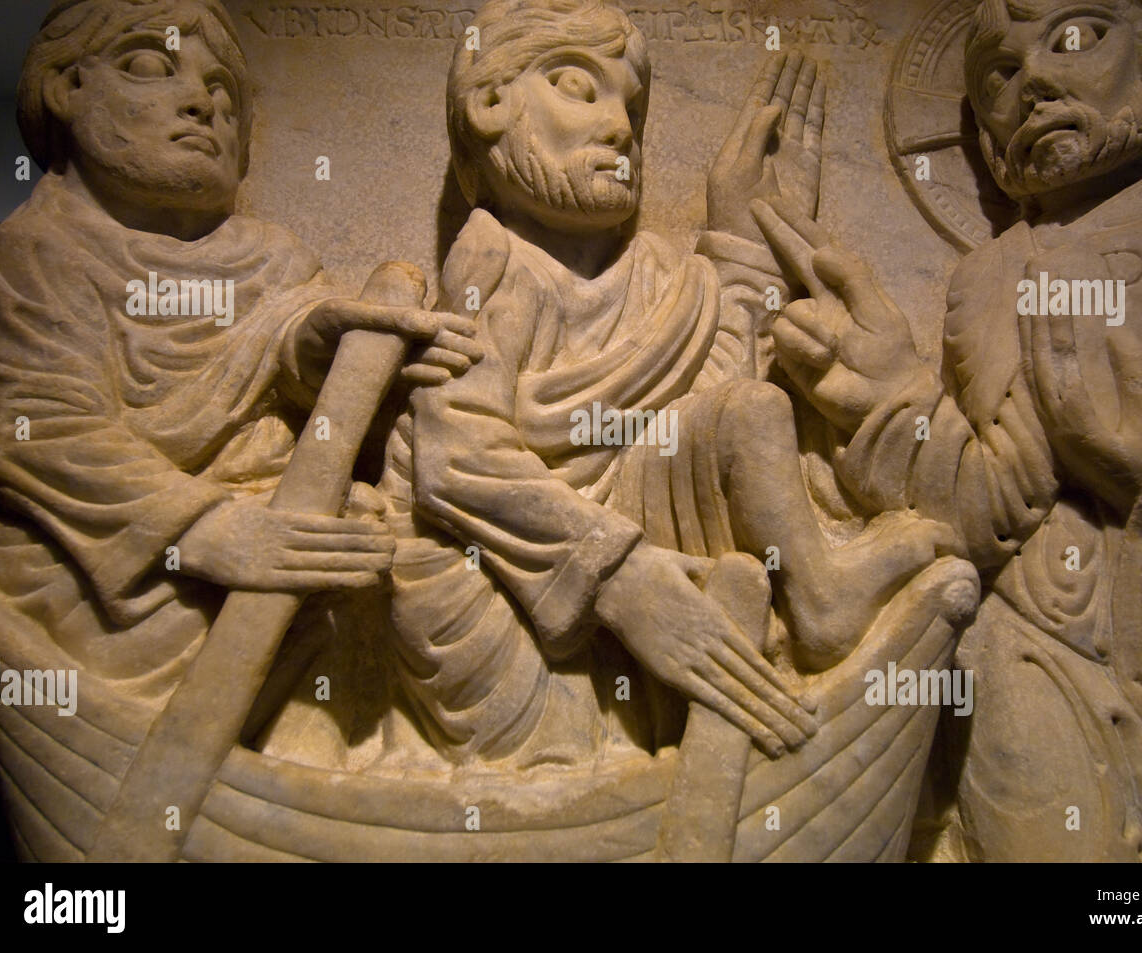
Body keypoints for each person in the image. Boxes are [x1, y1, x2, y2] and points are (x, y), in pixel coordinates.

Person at [374, 0, 967, 767]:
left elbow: (720, 398)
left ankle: (819, 598)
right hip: (507, 567)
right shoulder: (493, 257)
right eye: (578, 88)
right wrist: (620, 570)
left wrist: (747, 227)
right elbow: (458, 458)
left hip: (628, 518)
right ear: (490, 108)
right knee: (554, 758)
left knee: (754, 407)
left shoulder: (659, 273)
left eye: (632, 106)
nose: (621, 127)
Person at [757, 0, 1142, 861]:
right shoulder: (998, 274)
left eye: (1071, 37)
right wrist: (884, 386)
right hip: (1056, 650)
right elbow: (995, 504)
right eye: (998, 76)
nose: (1031, 81)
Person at [0, 0, 477, 703]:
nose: (198, 103)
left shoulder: (271, 256)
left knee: (416, 575)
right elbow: (41, 433)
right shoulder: (42, 251)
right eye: (150, 67)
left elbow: (289, 342)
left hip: (287, 520)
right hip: (124, 558)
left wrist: (324, 342)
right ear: (66, 89)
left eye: (223, 94)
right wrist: (211, 529)